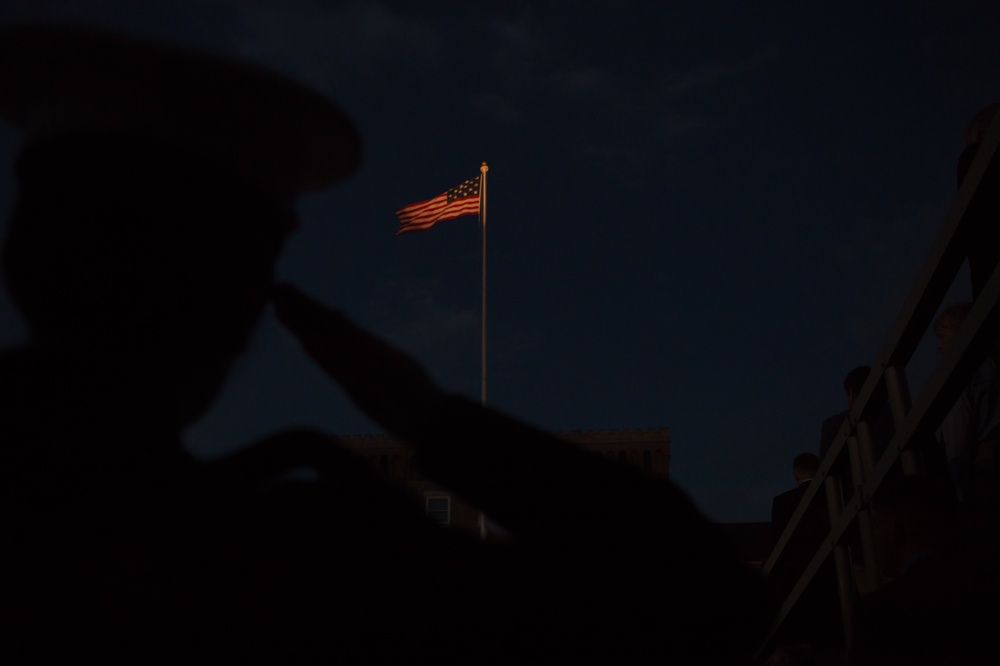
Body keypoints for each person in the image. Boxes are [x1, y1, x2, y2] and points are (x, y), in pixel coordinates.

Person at [0, 25, 773, 662]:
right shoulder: (295, 565)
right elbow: (701, 600)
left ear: (23, 256)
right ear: (247, 304)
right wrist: (426, 414)